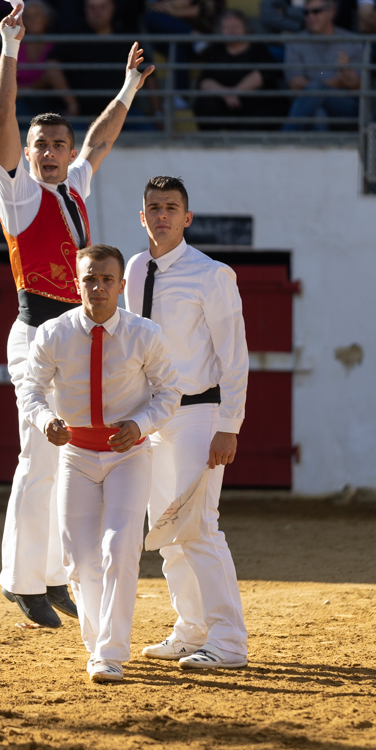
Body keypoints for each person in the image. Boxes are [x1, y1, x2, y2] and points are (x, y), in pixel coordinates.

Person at [0, 1, 154, 628]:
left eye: (59, 144)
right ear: (28, 152)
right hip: (37, 331)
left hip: (78, 331)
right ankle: (22, 580)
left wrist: (127, 88)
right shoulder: (18, 191)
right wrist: (11, 50)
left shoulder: (75, 185)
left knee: (70, 455)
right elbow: (4, 113)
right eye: (43, 146)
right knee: (39, 453)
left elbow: (101, 138)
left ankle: (54, 575)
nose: (55, 152)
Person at [22, 243, 180, 682]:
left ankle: (109, 652)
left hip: (128, 454)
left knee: (120, 547)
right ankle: (99, 643)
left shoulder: (144, 333)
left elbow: (170, 392)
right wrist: (44, 419)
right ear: (77, 283)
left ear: (121, 285)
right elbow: (29, 390)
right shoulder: (54, 333)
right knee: (78, 558)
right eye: (90, 278)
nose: (98, 286)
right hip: (75, 453)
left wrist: (142, 423)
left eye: (107, 279)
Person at [123, 176, 249, 671]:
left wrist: (230, 424)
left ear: (187, 218)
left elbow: (233, 356)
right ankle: (192, 628)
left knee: (198, 527)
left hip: (200, 413)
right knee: (166, 528)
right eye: (153, 207)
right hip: (151, 415)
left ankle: (229, 641)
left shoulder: (212, 274)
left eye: (171, 208)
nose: (162, 216)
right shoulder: (134, 269)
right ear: (142, 216)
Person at [61, 0, 153, 122]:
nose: (97, 12)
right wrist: (71, 103)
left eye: (102, 7)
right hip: (83, 114)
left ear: (112, 7)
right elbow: (52, 65)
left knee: (149, 135)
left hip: (124, 113)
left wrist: (158, 113)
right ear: (85, 9)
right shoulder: (73, 37)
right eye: (92, 7)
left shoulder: (127, 39)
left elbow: (149, 73)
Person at [283, 0, 362, 131]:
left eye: (316, 11)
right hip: (311, 108)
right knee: (319, 114)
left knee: (316, 89)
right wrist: (333, 82)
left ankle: (284, 141)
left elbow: (358, 86)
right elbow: (294, 84)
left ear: (331, 12)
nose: (310, 17)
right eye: (306, 13)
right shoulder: (295, 42)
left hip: (346, 108)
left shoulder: (352, 41)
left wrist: (346, 75)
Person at [194, 9, 283, 130]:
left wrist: (235, 92)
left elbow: (265, 74)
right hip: (225, 103)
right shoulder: (215, 50)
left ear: (245, 28)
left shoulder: (257, 48)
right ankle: (210, 144)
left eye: (236, 26)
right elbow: (205, 81)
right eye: (227, 27)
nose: (232, 30)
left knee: (268, 106)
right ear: (220, 31)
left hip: (255, 103)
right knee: (205, 104)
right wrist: (225, 94)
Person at [15, 0, 77, 119]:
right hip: (18, 98)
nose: (32, 20)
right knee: (18, 108)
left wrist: (29, 89)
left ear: (46, 18)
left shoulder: (55, 45)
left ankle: (73, 107)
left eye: (37, 15)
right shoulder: (15, 44)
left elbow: (52, 76)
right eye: (28, 16)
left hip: (47, 97)